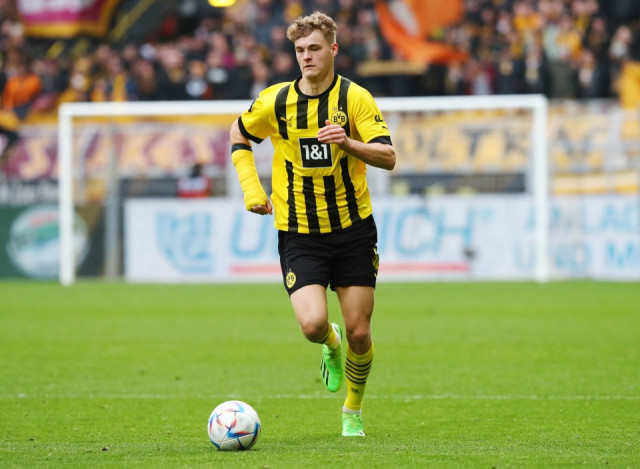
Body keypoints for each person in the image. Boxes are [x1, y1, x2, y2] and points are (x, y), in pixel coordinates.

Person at [229, 11, 395, 437]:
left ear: (333, 49)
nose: (306, 56)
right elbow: (239, 132)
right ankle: (329, 344)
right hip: (299, 232)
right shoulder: (276, 101)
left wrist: (349, 142)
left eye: (315, 48)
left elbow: (388, 156)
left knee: (361, 332)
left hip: (352, 230)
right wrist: (251, 189)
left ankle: (352, 410)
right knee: (312, 326)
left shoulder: (355, 98)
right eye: (300, 49)